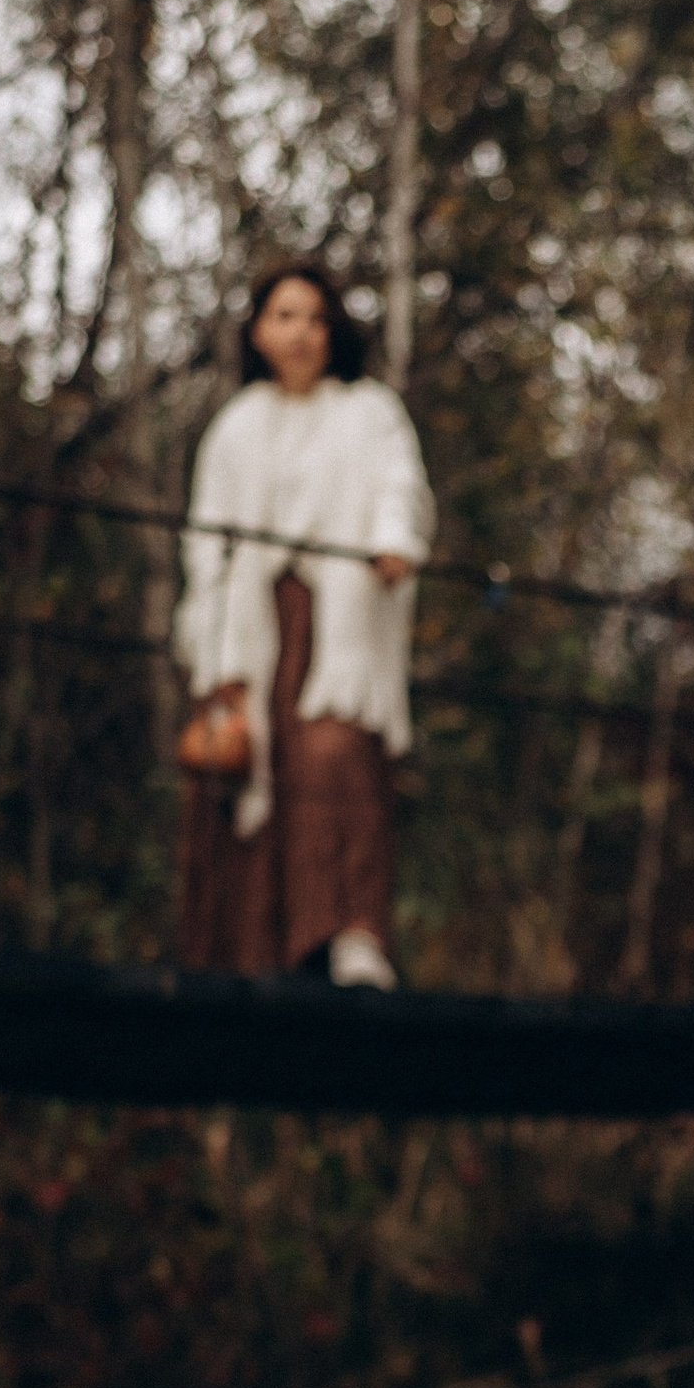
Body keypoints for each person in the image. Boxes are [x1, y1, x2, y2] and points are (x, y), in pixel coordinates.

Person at [174, 260, 434, 987]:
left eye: (316, 319)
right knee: (240, 769)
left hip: (336, 629)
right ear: (259, 330)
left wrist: (393, 542)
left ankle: (348, 936)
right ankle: (240, 957)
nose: (300, 334)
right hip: (251, 629)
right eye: (285, 317)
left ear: (333, 332)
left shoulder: (368, 410)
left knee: (333, 755)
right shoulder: (236, 426)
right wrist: (216, 644)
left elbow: (399, 486)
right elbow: (207, 538)